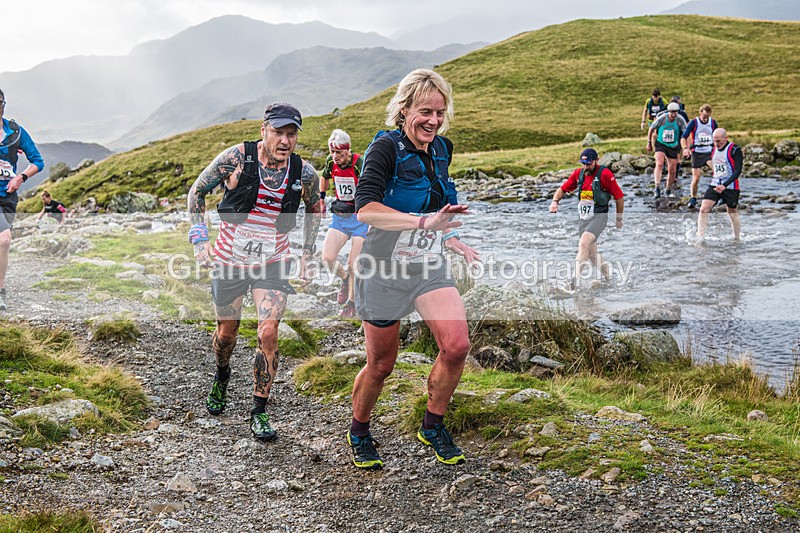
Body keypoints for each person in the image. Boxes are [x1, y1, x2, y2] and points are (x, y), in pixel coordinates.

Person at [348, 69, 479, 470]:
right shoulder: (385, 149)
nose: (434, 121)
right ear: (404, 109)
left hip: (428, 266)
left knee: (457, 346)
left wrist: (447, 233)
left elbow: (442, 196)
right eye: (426, 111)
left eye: (440, 113)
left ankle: (432, 424)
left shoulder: (442, 148)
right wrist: (421, 223)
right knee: (381, 365)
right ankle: (359, 430)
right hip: (382, 271)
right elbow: (365, 208)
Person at [187, 102, 321, 442]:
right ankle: (222, 375)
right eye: (278, 132)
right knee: (227, 334)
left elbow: (315, 209)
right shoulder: (236, 158)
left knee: (269, 333)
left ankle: (259, 411)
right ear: (264, 130)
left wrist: (306, 253)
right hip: (229, 261)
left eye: (291, 134)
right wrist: (200, 241)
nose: (285, 140)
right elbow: (197, 192)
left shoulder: (304, 174)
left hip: (272, 263)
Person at [549, 148, 624, 288]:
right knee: (591, 254)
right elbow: (562, 189)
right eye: (583, 163)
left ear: (596, 160)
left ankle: (574, 280)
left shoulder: (605, 174)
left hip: (599, 216)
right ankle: (609, 276)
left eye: (588, 164)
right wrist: (555, 202)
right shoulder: (579, 174)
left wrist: (618, 219)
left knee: (583, 243)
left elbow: (619, 198)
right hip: (584, 218)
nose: (585, 167)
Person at [0, 89, 44, 312]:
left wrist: (21, 177)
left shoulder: (15, 132)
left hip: (5, 196)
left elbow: (38, 161)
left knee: (4, 241)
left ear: (3, 105)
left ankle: (0, 292)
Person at [319, 129, 367, 318]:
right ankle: (346, 280)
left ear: (348, 150)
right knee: (327, 259)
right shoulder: (331, 162)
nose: (335, 156)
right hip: (340, 216)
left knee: (353, 263)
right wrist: (322, 199)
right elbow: (324, 177)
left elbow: (371, 184)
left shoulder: (359, 163)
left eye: (339, 152)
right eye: (332, 152)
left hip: (359, 218)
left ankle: (352, 303)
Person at [697, 128, 742, 241]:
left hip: (731, 186)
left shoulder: (735, 149)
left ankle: (737, 238)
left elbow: (738, 171)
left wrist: (725, 185)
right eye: (714, 141)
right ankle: (700, 237)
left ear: (725, 138)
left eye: (719, 141)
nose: (716, 144)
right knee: (704, 209)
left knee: (732, 212)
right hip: (715, 184)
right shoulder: (713, 149)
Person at [647, 101, 687, 198]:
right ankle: (657, 187)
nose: (673, 114)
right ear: (668, 111)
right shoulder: (662, 118)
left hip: (673, 146)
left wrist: (686, 148)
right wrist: (649, 142)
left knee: (672, 169)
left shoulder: (680, 120)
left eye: (675, 112)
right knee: (659, 163)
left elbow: (685, 133)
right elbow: (651, 128)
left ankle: (668, 189)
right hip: (661, 144)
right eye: (671, 112)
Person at [680, 104, 718, 208]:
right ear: (700, 113)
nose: (705, 119)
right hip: (697, 152)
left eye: (707, 117)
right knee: (696, 177)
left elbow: (718, 136)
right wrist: (685, 149)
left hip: (709, 152)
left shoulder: (713, 123)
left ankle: (719, 195)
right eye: (704, 116)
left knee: (718, 173)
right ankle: (693, 198)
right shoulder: (694, 122)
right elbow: (683, 137)